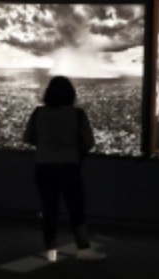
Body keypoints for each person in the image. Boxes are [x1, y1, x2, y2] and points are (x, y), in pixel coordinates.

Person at [23, 76, 106, 262]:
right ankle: (83, 248)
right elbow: (88, 143)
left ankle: (50, 251)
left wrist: (45, 145)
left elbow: (28, 138)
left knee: (49, 208)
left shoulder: (39, 113)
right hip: (69, 168)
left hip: (43, 168)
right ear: (71, 94)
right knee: (76, 208)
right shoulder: (77, 114)